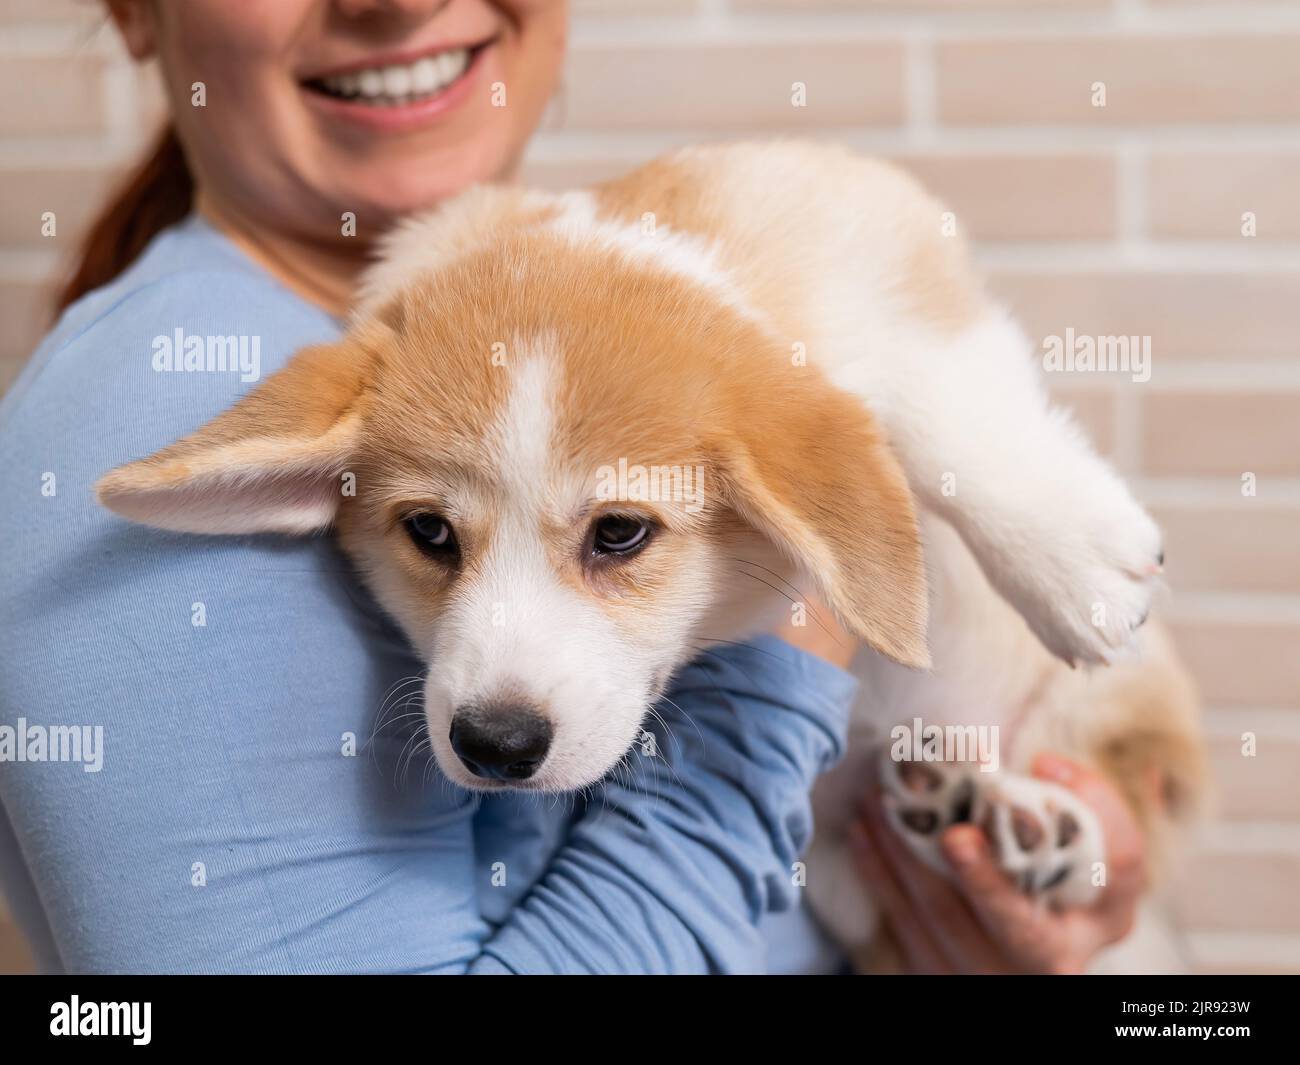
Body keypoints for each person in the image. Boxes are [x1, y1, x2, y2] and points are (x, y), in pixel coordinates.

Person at [0, 0, 1146, 974]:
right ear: (135, 12)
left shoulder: (556, 300)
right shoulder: (161, 397)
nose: (399, 1)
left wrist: (957, 912)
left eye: (609, 535)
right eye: (434, 534)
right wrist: (794, 636)